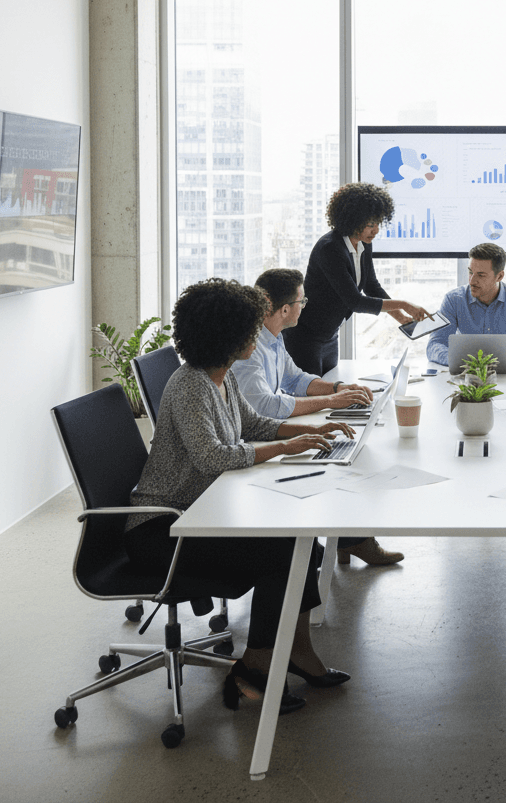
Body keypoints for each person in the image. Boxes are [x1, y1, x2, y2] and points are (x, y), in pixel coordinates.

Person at [124, 278, 356, 717]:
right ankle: (254, 668)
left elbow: (254, 425)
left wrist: (311, 432)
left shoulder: (221, 377)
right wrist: (287, 447)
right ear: (228, 335)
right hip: (163, 529)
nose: (257, 336)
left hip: (199, 512)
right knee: (281, 554)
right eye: (250, 329)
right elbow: (213, 458)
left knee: (301, 542)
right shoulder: (191, 385)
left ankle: (298, 651)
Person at [232, 267, 405, 567]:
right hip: (255, 443)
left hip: (269, 431)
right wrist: (331, 400)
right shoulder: (250, 348)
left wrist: (338, 388)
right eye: (303, 301)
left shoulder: (273, 337)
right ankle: (347, 543)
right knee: (336, 465)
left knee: (347, 452)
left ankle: (352, 540)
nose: (305, 306)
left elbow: (297, 379)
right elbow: (266, 407)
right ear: (285, 309)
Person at [284, 182, 429, 377]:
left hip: (330, 335)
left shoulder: (363, 244)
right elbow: (355, 301)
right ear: (353, 220)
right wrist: (405, 304)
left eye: (378, 223)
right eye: (370, 225)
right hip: (306, 338)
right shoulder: (330, 248)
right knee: (312, 397)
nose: (376, 230)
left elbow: (371, 286)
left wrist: (400, 316)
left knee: (330, 391)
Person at [425, 242, 506, 368]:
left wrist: (501, 361)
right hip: (466, 376)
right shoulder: (453, 300)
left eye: (481, 275)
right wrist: (463, 362)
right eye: (470, 272)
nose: (472, 281)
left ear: (499, 276)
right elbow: (435, 345)